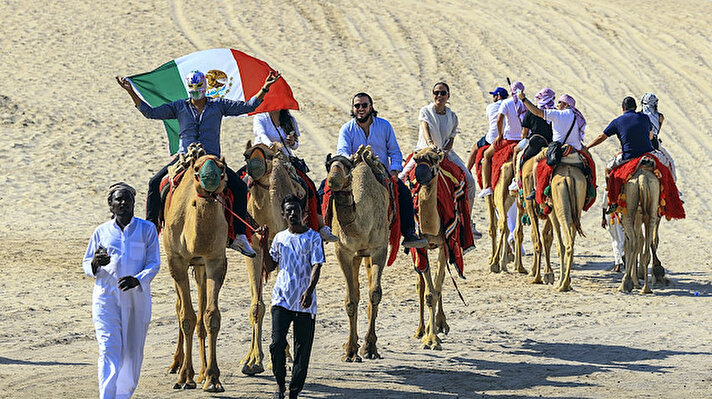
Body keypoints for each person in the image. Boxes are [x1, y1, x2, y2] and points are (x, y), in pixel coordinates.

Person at [116, 70, 281, 257]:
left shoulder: (218, 105)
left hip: (212, 161)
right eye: (192, 89)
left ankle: (239, 236)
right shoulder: (179, 107)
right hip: (184, 159)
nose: (196, 93)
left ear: (205, 88)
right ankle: (152, 229)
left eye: (199, 88)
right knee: (155, 183)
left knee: (239, 188)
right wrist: (131, 91)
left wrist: (265, 88)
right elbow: (150, 113)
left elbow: (247, 106)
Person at [82, 182, 160, 399]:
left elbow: (154, 263)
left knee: (132, 354)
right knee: (108, 349)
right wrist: (96, 263)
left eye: (128, 199)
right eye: (119, 199)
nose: (123, 202)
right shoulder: (101, 232)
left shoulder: (147, 230)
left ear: (134, 203)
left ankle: (123, 395)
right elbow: (87, 264)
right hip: (106, 299)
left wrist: (138, 280)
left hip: (137, 300)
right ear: (111, 205)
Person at [334, 92, 427, 248]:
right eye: (357, 106)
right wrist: (352, 158)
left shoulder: (384, 126)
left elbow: (394, 151)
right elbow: (342, 151)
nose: (361, 108)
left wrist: (395, 171)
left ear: (371, 107)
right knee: (327, 188)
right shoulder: (346, 129)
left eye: (364, 105)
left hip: (380, 171)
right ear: (353, 108)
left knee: (404, 194)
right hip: (355, 171)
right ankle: (325, 227)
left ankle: (409, 233)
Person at [263, 194, 325, 399]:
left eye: (295, 210)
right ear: (283, 215)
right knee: (276, 344)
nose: (292, 214)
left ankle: (294, 391)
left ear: (303, 213)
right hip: (281, 298)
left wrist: (309, 290)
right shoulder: (280, 238)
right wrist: (264, 244)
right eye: (288, 211)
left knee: (302, 350)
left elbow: (317, 265)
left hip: (305, 302)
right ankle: (280, 385)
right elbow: (270, 266)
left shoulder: (314, 237)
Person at [253, 110, 337, 242]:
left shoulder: (289, 119)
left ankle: (320, 226)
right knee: (243, 183)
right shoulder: (260, 118)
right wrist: (273, 146)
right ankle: (239, 230)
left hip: (285, 159)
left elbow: (296, 144)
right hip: (263, 160)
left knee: (309, 186)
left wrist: (292, 142)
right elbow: (261, 134)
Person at [408, 82, 476, 211]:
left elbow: (451, 138)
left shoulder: (452, 116)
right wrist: (431, 144)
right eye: (436, 93)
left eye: (443, 93)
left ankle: (469, 219)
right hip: (425, 150)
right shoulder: (425, 111)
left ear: (448, 95)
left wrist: (445, 151)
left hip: (445, 153)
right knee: (401, 178)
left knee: (470, 181)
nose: (439, 95)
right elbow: (425, 127)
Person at [518, 91, 587, 199]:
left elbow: (537, 112)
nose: (557, 104)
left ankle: (535, 189)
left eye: (560, 102)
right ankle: (589, 190)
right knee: (589, 163)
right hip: (575, 149)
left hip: (558, 148)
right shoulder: (575, 116)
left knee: (536, 159)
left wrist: (523, 99)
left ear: (566, 105)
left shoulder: (557, 114)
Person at [479, 81, 526, 197]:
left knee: (486, 155)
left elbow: (499, 119)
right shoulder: (526, 103)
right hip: (522, 140)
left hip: (509, 139)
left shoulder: (506, 102)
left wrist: (500, 135)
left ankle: (486, 187)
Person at [586, 96, 652, 172]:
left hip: (628, 156)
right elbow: (650, 137)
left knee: (608, 169)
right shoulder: (645, 117)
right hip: (647, 154)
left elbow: (602, 137)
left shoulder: (617, 121)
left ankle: (609, 184)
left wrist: (587, 147)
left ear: (623, 108)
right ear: (635, 107)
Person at [509, 87, 555, 190]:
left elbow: (524, 133)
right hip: (550, 143)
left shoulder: (531, 111)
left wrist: (522, 138)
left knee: (517, 152)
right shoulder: (555, 112)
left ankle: (516, 179)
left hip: (534, 141)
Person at [466, 86, 507, 171]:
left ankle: (467, 171)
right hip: (509, 136)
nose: (493, 97)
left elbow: (491, 120)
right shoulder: (511, 105)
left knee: (475, 147)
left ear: (498, 96)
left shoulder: (490, 107)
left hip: (493, 138)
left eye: (494, 95)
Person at [641, 92, 677, 182]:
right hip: (653, 145)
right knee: (670, 163)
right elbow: (656, 133)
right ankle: (673, 186)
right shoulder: (660, 117)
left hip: (638, 143)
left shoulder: (638, 116)